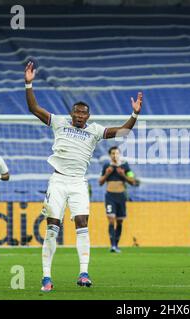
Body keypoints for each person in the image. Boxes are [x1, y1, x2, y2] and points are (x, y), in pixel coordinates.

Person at [24, 61, 143, 292]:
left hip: (78, 183)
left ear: (88, 116)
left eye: (83, 113)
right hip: (58, 181)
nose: (80, 116)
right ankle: (46, 277)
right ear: (71, 113)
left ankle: (84, 273)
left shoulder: (95, 130)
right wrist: (29, 84)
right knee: (52, 228)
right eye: (77, 112)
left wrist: (134, 114)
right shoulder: (59, 122)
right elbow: (34, 108)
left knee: (82, 225)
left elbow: (123, 131)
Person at [99, 146, 138, 253]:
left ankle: (116, 244)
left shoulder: (125, 166)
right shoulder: (107, 166)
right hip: (110, 196)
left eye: (116, 153)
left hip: (121, 197)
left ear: (119, 154)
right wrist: (107, 173)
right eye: (112, 153)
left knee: (120, 221)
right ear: (109, 155)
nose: (114, 155)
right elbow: (100, 182)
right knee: (111, 220)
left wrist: (123, 175)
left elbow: (132, 181)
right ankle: (112, 246)